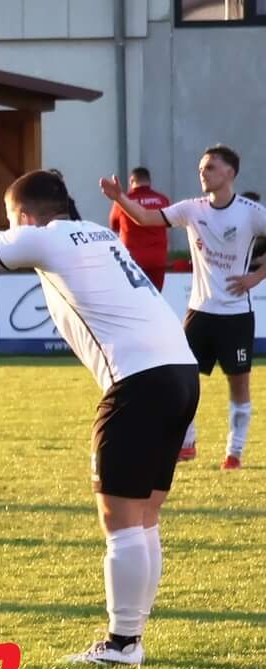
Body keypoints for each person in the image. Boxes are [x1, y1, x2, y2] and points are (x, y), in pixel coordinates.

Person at [0, 171, 197, 665]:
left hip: (140, 383)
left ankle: (122, 644)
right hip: (179, 374)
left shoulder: (47, 238)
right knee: (144, 518)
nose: (10, 229)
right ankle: (130, 638)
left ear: (24, 217)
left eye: (10, 220)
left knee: (121, 521)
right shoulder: (99, 235)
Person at [104, 145, 266, 470]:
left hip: (235, 315)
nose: (203, 172)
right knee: (181, 379)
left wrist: (256, 276)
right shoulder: (193, 209)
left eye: (210, 167)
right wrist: (120, 197)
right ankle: (187, 443)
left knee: (238, 385)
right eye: (201, 168)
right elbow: (146, 218)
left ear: (230, 173)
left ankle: (234, 453)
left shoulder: (250, 212)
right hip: (199, 312)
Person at [108, 167, 169, 291]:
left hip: (132, 260)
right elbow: (169, 223)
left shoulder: (123, 201)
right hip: (157, 260)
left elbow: (114, 225)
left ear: (131, 181)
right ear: (149, 181)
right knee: (155, 297)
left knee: (133, 298)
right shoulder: (163, 200)